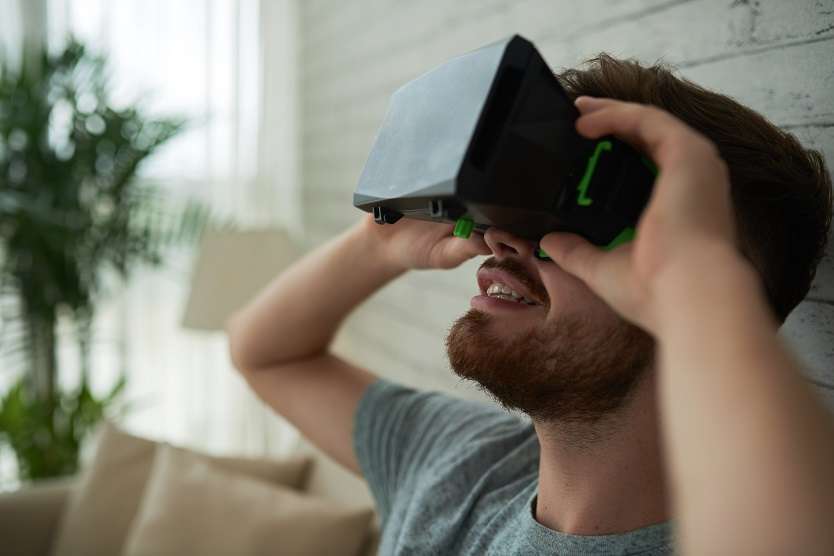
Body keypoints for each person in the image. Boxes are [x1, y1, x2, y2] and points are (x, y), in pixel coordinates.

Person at [227, 55, 834, 555]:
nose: (505, 238)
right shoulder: (461, 462)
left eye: (577, 213)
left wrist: (695, 287)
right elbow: (265, 353)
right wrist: (379, 243)